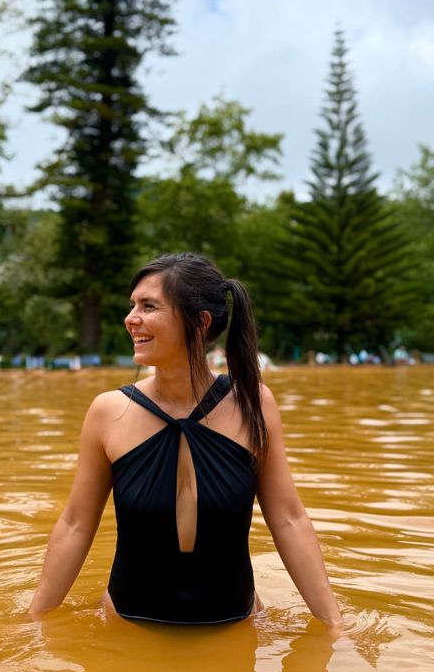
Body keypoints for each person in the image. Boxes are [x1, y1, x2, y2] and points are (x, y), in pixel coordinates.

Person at [27, 252, 342, 631]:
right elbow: (76, 524)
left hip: (235, 628)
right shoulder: (108, 412)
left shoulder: (253, 403)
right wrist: (32, 623)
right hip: (128, 629)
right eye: (132, 305)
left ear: (200, 322)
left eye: (149, 306)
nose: (131, 318)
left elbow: (289, 520)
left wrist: (336, 627)